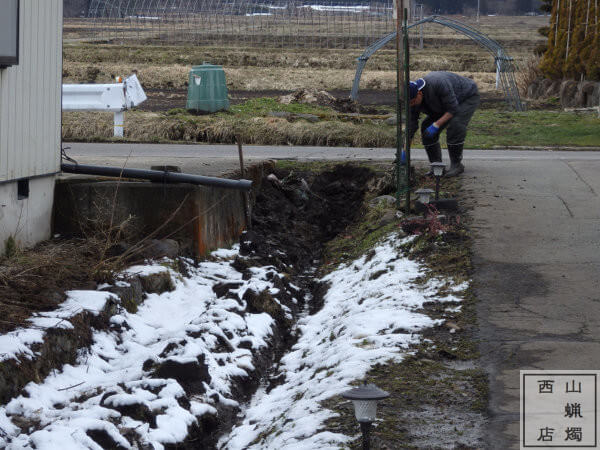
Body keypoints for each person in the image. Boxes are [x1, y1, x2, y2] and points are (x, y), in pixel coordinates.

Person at [408, 71, 480, 177]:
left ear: (419, 93)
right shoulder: (412, 99)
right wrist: (405, 150)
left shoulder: (438, 83)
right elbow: (412, 125)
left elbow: (453, 109)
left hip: (466, 97)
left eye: (413, 102)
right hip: (444, 104)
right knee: (426, 128)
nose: (412, 105)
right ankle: (437, 167)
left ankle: (457, 165)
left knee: (456, 125)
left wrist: (436, 125)